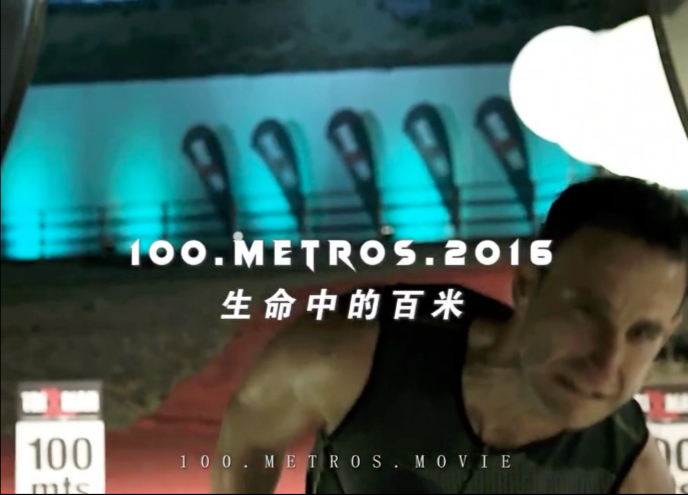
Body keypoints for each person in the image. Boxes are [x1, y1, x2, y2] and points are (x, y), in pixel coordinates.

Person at [211, 176, 687, 494]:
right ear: (527, 285)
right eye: (585, 313)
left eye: (643, 333)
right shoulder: (354, 352)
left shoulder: (630, 474)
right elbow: (250, 431)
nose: (605, 365)